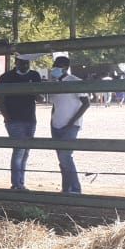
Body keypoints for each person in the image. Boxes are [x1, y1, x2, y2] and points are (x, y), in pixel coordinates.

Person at [0, 54, 43, 191]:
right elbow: (0, 98)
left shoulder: (34, 75)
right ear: (16, 63)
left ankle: (20, 182)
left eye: (27, 64)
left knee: (25, 151)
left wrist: (35, 91)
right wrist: (6, 116)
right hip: (14, 118)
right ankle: (17, 184)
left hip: (30, 118)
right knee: (19, 151)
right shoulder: (6, 77)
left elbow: (40, 97)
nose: (25, 66)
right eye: (22, 63)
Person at [47, 56, 90, 194]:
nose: (55, 68)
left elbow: (86, 103)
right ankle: (66, 189)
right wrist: (52, 120)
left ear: (65, 67)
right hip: (56, 124)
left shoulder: (75, 82)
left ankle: (76, 189)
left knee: (65, 157)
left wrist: (72, 121)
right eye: (54, 65)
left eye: (58, 66)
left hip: (71, 125)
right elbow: (55, 105)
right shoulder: (54, 83)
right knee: (62, 158)